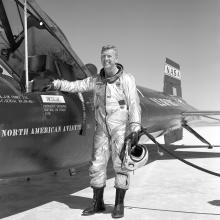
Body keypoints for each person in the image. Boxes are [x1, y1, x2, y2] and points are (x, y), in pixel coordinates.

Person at [50, 45, 141, 218]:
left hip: (120, 129)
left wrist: (135, 127)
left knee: (121, 164)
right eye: (103, 56)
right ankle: (97, 202)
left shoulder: (127, 79)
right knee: (96, 165)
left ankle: (119, 204)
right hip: (102, 129)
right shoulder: (96, 80)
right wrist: (56, 83)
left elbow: (134, 104)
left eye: (109, 56)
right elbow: (76, 85)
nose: (106, 59)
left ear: (116, 58)